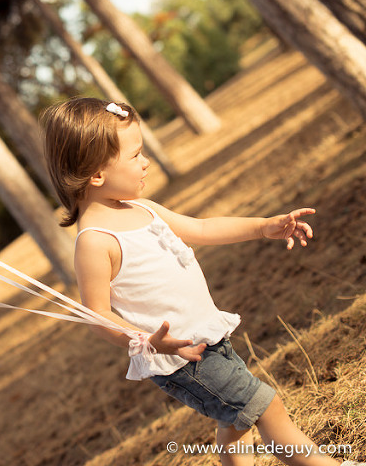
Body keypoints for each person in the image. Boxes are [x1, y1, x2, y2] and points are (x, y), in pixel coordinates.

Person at [40, 97, 362, 466]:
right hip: (181, 358)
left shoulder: (143, 208)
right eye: (135, 155)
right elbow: (96, 313)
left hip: (209, 339)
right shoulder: (96, 240)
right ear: (96, 174)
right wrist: (147, 341)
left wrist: (263, 227)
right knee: (266, 406)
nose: (145, 162)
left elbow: (203, 228)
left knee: (238, 421)